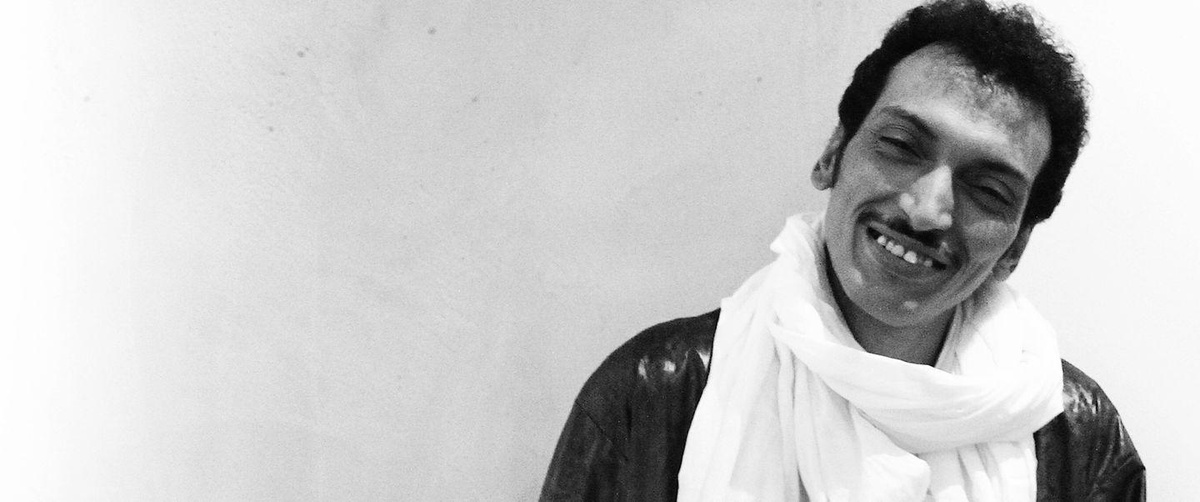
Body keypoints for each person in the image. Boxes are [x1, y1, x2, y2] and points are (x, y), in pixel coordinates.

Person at [540, 0, 1145, 500]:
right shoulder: (652, 395)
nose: (926, 210)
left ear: (1017, 244)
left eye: (988, 190)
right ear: (834, 153)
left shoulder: (1078, 438)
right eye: (901, 146)